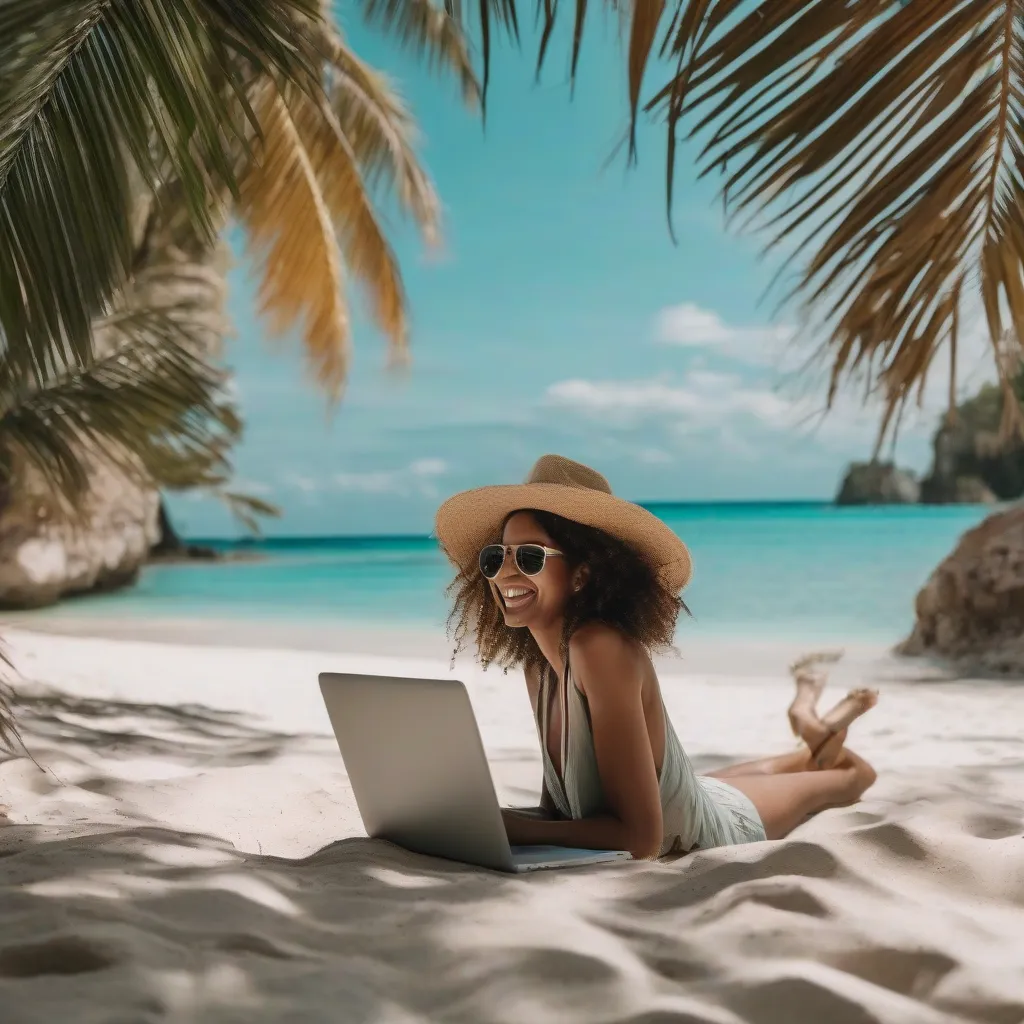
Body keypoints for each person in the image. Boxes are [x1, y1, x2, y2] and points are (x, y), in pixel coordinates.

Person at [434, 454, 878, 861]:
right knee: (766, 771)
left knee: (850, 774)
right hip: (695, 794)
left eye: (529, 557)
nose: (505, 572)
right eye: (496, 556)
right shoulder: (540, 668)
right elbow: (563, 814)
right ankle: (809, 729)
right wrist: (487, 820)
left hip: (717, 829)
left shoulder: (598, 647)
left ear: (583, 574)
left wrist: (509, 828)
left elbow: (644, 840)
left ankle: (809, 720)